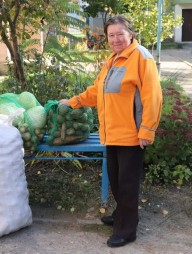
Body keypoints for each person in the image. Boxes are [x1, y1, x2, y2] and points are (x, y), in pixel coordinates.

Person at [60, 15, 162, 247]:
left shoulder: (141, 58)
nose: (115, 39)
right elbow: (97, 91)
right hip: (112, 132)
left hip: (132, 134)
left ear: (130, 34)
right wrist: (73, 102)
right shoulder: (113, 60)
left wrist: (147, 130)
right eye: (111, 35)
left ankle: (127, 230)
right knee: (116, 181)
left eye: (120, 34)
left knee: (127, 183)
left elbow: (153, 97)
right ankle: (121, 215)